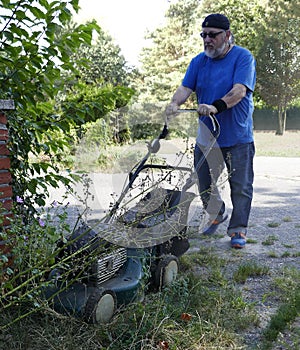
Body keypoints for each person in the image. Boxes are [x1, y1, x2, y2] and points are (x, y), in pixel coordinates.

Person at [165, 13, 256, 249]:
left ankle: (238, 230)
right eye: (203, 35)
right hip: (207, 136)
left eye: (212, 35)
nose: (207, 40)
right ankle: (217, 213)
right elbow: (186, 87)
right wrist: (175, 103)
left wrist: (216, 106)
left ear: (226, 35)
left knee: (241, 186)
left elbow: (239, 91)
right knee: (204, 181)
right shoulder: (198, 61)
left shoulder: (243, 58)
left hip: (237, 136)